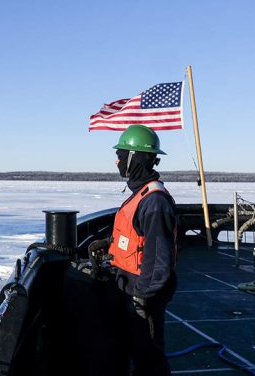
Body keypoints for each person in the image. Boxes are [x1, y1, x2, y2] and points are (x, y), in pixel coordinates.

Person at [107, 124, 178, 376]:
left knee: (149, 356)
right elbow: (135, 238)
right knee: (135, 350)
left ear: (135, 158)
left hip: (144, 292)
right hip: (131, 286)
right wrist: (107, 246)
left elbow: (159, 259)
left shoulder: (154, 201)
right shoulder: (141, 194)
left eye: (122, 155)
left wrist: (142, 298)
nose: (117, 161)